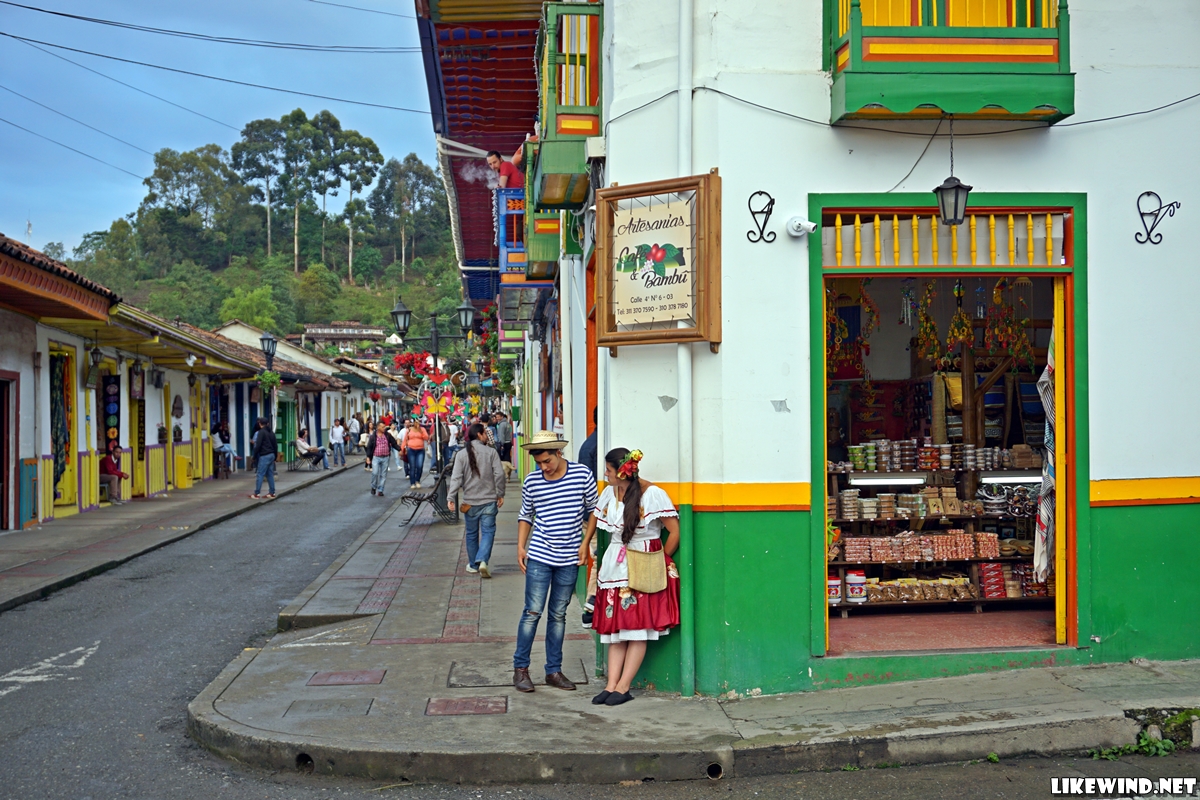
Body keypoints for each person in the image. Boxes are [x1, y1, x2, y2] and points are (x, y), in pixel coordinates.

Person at [580, 448, 680, 707]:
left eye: (608, 470)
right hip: (615, 566)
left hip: (641, 564)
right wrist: (585, 542)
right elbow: (595, 517)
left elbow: (674, 532)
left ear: (622, 472)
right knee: (616, 630)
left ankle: (624, 686)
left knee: (636, 629)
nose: (605, 474)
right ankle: (611, 684)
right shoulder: (609, 493)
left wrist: (660, 560)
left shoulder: (652, 494)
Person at [512, 430, 599, 694]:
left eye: (547, 461)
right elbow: (526, 514)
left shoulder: (582, 475)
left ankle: (553, 671)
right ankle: (521, 669)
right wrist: (520, 546)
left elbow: (594, 510)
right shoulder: (532, 481)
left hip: (569, 557)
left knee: (558, 615)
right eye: (538, 463)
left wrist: (585, 544)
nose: (543, 467)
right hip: (539, 555)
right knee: (532, 612)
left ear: (559, 453)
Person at [447, 422, 507, 578]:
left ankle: (474, 565)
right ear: (479, 435)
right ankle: (482, 560)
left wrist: (451, 497)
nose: (487, 436)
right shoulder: (491, 452)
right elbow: (499, 474)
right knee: (488, 532)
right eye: (485, 433)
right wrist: (500, 493)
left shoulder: (461, 454)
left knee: (472, 534)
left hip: (470, 502)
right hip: (489, 501)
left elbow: (456, 478)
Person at [576, 407, 599, 626]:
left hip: (588, 514)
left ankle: (592, 602)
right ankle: (592, 601)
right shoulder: (599, 445)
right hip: (596, 514)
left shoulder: (588, 444)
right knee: (600, 556)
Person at [365, 422, 401, 497]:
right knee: (375, 473)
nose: (384, 428)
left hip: (385, 457)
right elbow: (369, 447)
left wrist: (400, 449)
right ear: (378, 427)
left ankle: (380, 490)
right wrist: (368, 457)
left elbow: (394, 443)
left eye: (384, 427)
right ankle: (373, 486)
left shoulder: (387, 435)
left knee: (383, 475)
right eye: (382, 427)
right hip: (376, 457)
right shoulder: (373, 436)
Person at [250, 417, 277, 499]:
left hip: (264, 455)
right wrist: (275, 456)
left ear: (260, 424)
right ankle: (272, 493)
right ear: (267, 424)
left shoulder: (261, 432)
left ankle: (257, 494)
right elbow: (275, 445)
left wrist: (254, 456)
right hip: (272, 454)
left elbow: (258, 445)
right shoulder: (271, 432)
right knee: (270, 474)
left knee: (260, 474)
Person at [404, 418, 431, 489]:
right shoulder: (409, 430)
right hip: (411, 449)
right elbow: (405, 440)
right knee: (412, 466)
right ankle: (412, 482)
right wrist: (402, 449)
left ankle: (417, 480)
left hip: (420, 450)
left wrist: (421, 432)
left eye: (418, 422)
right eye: (415, 422)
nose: (417, 424)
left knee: (419, 466)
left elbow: (426, 438)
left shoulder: (422, 429)